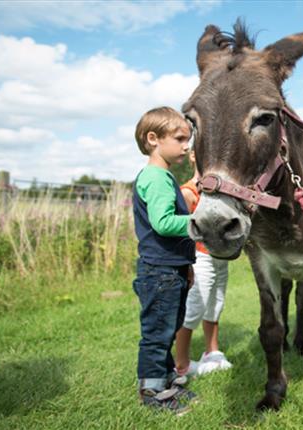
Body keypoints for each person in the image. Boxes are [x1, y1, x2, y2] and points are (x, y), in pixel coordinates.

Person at [131, 106, 197, 414]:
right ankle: (151, 391)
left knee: (169, 328)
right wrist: (199, 223)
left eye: (188, 138)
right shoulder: (156, 178)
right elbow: (163, 223)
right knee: (157, 333)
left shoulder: (164, 176)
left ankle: (167, 381)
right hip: (159, 271)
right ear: (153, 138)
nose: (187, 145)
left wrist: (187, 266)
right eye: (181, 138)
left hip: (172, 269)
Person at [174, 149, 232, 377]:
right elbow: (181, 231)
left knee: (216, 303)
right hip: (201, 257)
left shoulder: (220, 191)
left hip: (220, 257)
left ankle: (211, 351)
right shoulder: (188, 192)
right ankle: (181, 364)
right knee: (195, 307)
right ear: (192, 156)